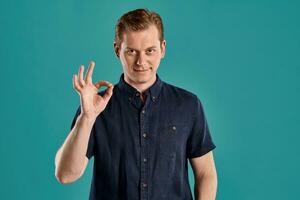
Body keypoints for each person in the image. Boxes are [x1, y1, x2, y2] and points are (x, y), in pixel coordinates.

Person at [55, 8, 217, 200]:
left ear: (162, 49)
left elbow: (206, 173)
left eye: (150, 51)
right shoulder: (95, 107)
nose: (141, 61)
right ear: (117, 50)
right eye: (132, 51)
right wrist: (87, 117)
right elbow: (66, 174)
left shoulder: (188, 105)